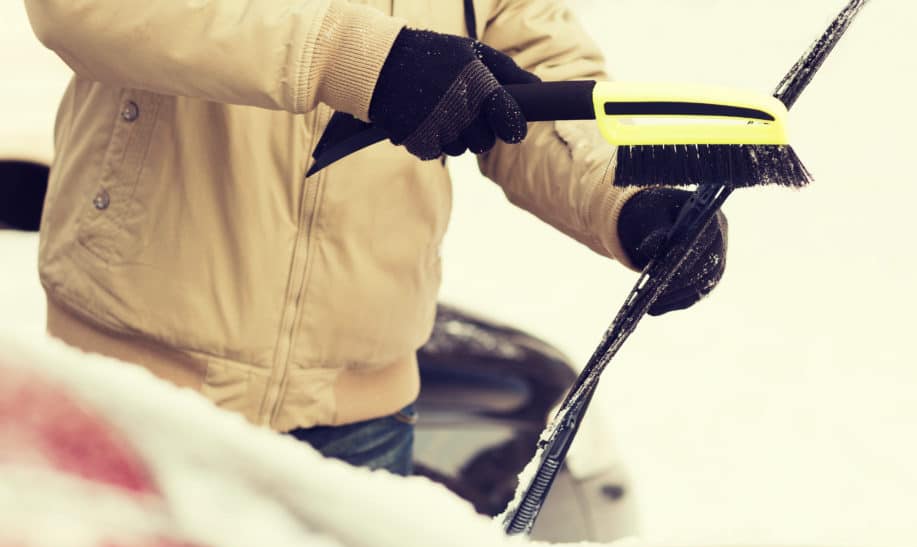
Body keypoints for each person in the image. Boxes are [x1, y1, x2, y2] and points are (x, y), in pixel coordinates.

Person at [24, 0, 727, 476]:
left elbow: (535, 71)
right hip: (135, 391)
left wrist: (631, 193)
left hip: (360, 419)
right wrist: (355, 58)